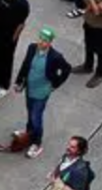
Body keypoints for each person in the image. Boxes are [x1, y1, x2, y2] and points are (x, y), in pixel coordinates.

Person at [12, 28, 72, 157]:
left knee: (36, 117)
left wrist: (55, 84)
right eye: (40, 38)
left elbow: (67, 69)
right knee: (30, 112)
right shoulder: (32, 48)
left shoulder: (55, 56)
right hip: (30, 88)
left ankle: (36, 143)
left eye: (45, 40)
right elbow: (25, 65)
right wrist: (19, 81)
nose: (41, 42)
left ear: (50, 42)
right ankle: (29, 133)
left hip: (42, 92)